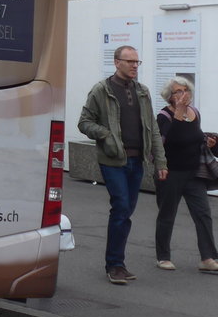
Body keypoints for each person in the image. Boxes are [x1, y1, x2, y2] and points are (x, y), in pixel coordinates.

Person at [78, 45, 168, 285]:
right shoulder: (101, 90)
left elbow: (154, 129)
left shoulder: (143, 92)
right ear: (117, 62)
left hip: (137, 161)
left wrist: (160, 160)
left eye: (138, 62)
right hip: (113, 160)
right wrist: (105, 134)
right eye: (130, 62)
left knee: (126, 212)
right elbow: (84, 122)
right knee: (120, 207)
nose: (135, 66)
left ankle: (118, 263)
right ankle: (115, 264)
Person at [153, 77, 218, 274]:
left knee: (203, 214)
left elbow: (194, 136)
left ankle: (207, 258)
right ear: (169, 97)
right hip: (171, 173)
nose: (183, 94)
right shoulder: (164, 116)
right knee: (167, 215)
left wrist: (207, 143)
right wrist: (179, 112)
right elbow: (171, 139)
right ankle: (163, 257)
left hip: (194, 173)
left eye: (185, 90)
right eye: (178, 91)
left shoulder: (194, 113)